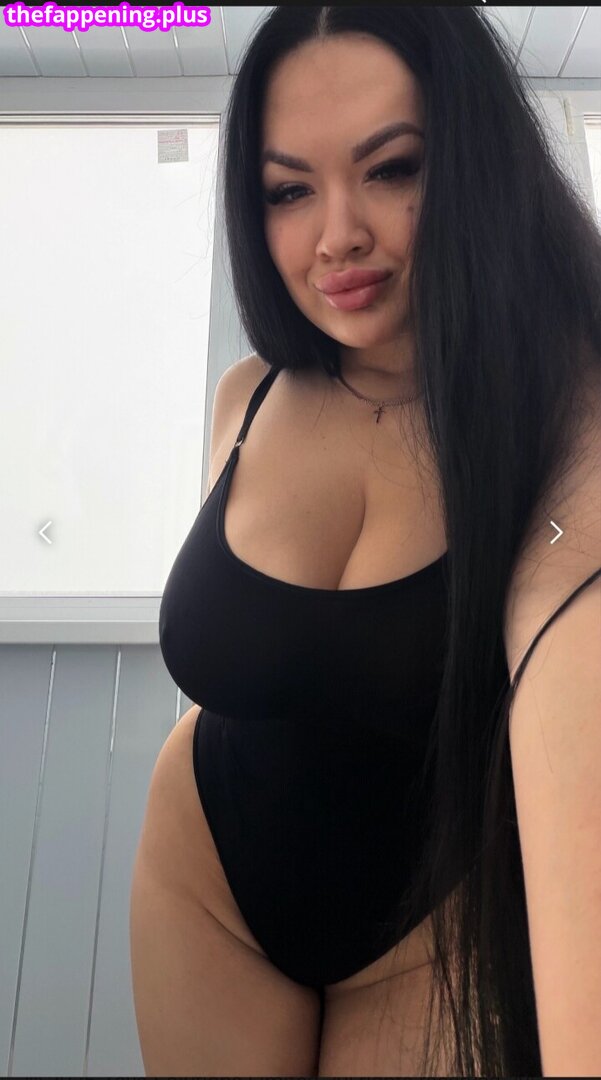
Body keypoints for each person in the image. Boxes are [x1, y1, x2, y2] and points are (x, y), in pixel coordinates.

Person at [130, 7, 601, 1077]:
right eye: (287, 191)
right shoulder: (245, 398)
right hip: (204, 882)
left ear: (476, 168)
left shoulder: (561, 421)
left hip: (426, 934)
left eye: (391, 169)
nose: (336, 234)